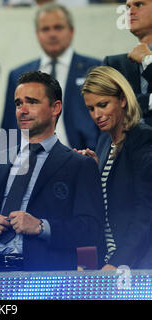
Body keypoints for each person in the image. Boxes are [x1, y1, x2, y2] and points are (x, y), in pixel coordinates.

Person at [0, 71, 104, 272]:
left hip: (45, 279)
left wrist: (41, 227)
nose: (22, 110)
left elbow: (92, 228)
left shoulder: (79, 164)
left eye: (31, 102)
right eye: (18, 103)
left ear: (55, 107)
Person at [77, 66, 152, 269]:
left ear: (123, 100)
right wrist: (94, 171)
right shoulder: (103, 142)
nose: (97, 115)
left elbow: (145, 212)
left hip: (138, 262)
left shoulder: (143, 138)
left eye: (103, 105)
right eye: (91, 108)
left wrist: (119, 262)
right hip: (109, 259)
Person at [1, 3, 101, 151]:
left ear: (71, 31)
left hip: (82, 156)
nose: (52, 34)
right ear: (37, 34)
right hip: (30, 162)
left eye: (58, 27)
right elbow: (9, 126)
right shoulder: (17, 74)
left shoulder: (95, 70)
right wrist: (5, 167)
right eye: (45, 29)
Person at [103, 0, 152, 126]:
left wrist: (148, 61)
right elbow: (106, 110)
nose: (130, 11)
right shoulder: (114, 64)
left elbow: (121, 106)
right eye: (128, 7)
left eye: (139, 5)